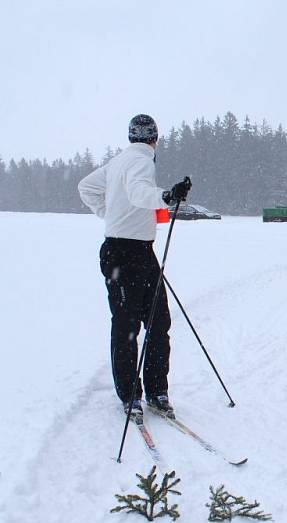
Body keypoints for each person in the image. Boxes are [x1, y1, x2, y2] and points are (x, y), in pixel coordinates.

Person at [78, 114, 192, 421]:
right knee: (150, 324)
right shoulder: (141, 161)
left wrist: (109, 214)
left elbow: (85, 187)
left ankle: (143, 393)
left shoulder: (118, 162)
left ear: (131, 137)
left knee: (134, 324)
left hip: (129, 251)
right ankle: (144, 394)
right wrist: (166, 196)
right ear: (155, 138)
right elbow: (139, 191)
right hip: (129, 253)